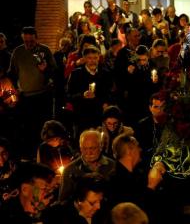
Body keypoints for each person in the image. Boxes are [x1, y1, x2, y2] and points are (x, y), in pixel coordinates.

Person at [8, 26, 57, 158]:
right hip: (26, 97)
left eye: (31, 41)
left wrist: (45, 70)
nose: (29, 44)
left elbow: (56, 72)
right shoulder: (18, 52)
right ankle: (30, 156)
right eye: (26, 41)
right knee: (28, 129)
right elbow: (12, 74)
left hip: (43, 96)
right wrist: (14, 90)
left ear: (37, 38)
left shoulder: (44, 50)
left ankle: (46, 155)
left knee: (44, 128)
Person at [59, 130, 115, 201]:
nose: (89, 152)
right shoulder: (70, 170)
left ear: (101, 146)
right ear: (80, 148)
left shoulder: (112, 166)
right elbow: (63, 201)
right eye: (85, 149)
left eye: (93, 148)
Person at [43, 173, 107, 224]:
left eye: (100, 201)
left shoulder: (103, 212)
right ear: (79, 199)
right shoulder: (56, 215)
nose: (99, 207)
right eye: (92, 203)